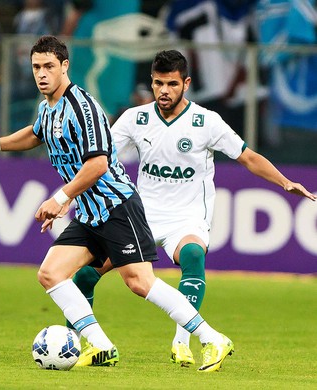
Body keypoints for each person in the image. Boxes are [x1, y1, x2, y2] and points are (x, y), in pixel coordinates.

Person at [0, 35, 234, 372]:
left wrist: (61, 197)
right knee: (51, 273)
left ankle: (212, 338)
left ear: (65, 66)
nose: (41, 74)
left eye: (49, 66)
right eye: (36, 67)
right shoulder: (47, 107)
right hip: (91, 212)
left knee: (138, 281)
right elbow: (36, 133)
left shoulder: (83, 106)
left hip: (117, 205)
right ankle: (102, 346)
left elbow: (99, 164)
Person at [69, 49, 316, 367]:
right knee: (85, 276)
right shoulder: (135, 118)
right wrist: (71, 193)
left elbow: (248, 157)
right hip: (140, 216)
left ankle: (181, 343)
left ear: (186, 83)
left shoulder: (206, 122)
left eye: (171, 84)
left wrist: (284, 182)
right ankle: (77, 344)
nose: (164, 91)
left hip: (187, 217)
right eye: (158, 83)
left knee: (193, 255)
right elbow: (100, 159)